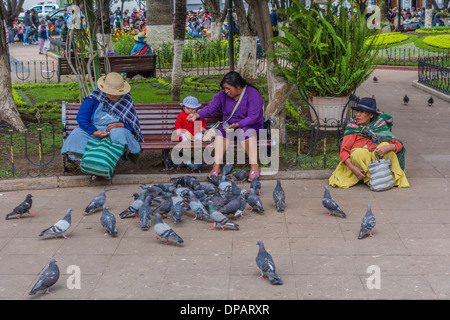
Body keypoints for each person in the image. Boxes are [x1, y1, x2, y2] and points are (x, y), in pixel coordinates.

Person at [186, 71, 265, 182]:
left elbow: (254, 116)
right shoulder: (222, 95)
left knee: (245, 132)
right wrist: (197, 115)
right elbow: (210, 108)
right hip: (230, 127)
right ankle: (215, 168)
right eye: (225, 88)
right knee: (221, 132)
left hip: (251, 126)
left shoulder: (252, 94)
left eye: (229, 89)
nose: (226, 91)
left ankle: (254, 167)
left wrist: (239, 124)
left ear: (238, 87)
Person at [61, 72, 143, 166]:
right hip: (93, 130)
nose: (116, 97)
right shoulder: (92, 99)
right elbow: (82, 119)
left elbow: (132, 122)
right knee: (77, 134)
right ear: (105, 90)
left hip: (116, 131)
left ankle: (110, 163)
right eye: (112, 94)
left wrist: (121, 125)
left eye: (117, 94)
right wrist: (95, 132)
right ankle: (91, 163)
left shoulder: (126, 98)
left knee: (119, 134)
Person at [329, 97, 409, 189]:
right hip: (358, 168)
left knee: (386, 146)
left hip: (378, 164)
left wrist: (387, 148)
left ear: (371, 115)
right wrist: (353, 168)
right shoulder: (353, 127)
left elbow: (398, 145)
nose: (357, 115)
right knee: (358, 153)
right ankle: (375, 180)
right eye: (357, 111)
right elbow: (344, 151)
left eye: (361, 112)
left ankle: (379, 179)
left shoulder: (380, 126)